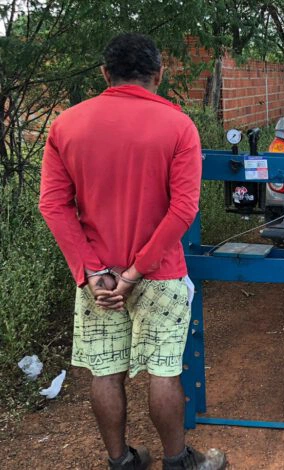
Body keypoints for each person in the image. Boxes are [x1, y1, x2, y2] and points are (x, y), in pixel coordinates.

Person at [39, 33, 227, 470]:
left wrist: (90, 271)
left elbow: (53, 204)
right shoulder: (178, 125)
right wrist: (135, 272)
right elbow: (183, 208)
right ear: (158, 74)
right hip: (158, 274)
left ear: (105, 74)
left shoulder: (67, 124)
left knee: (104, 370)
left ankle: (121, 461)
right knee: (163, 369)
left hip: (98, 279)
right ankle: (178, 462)